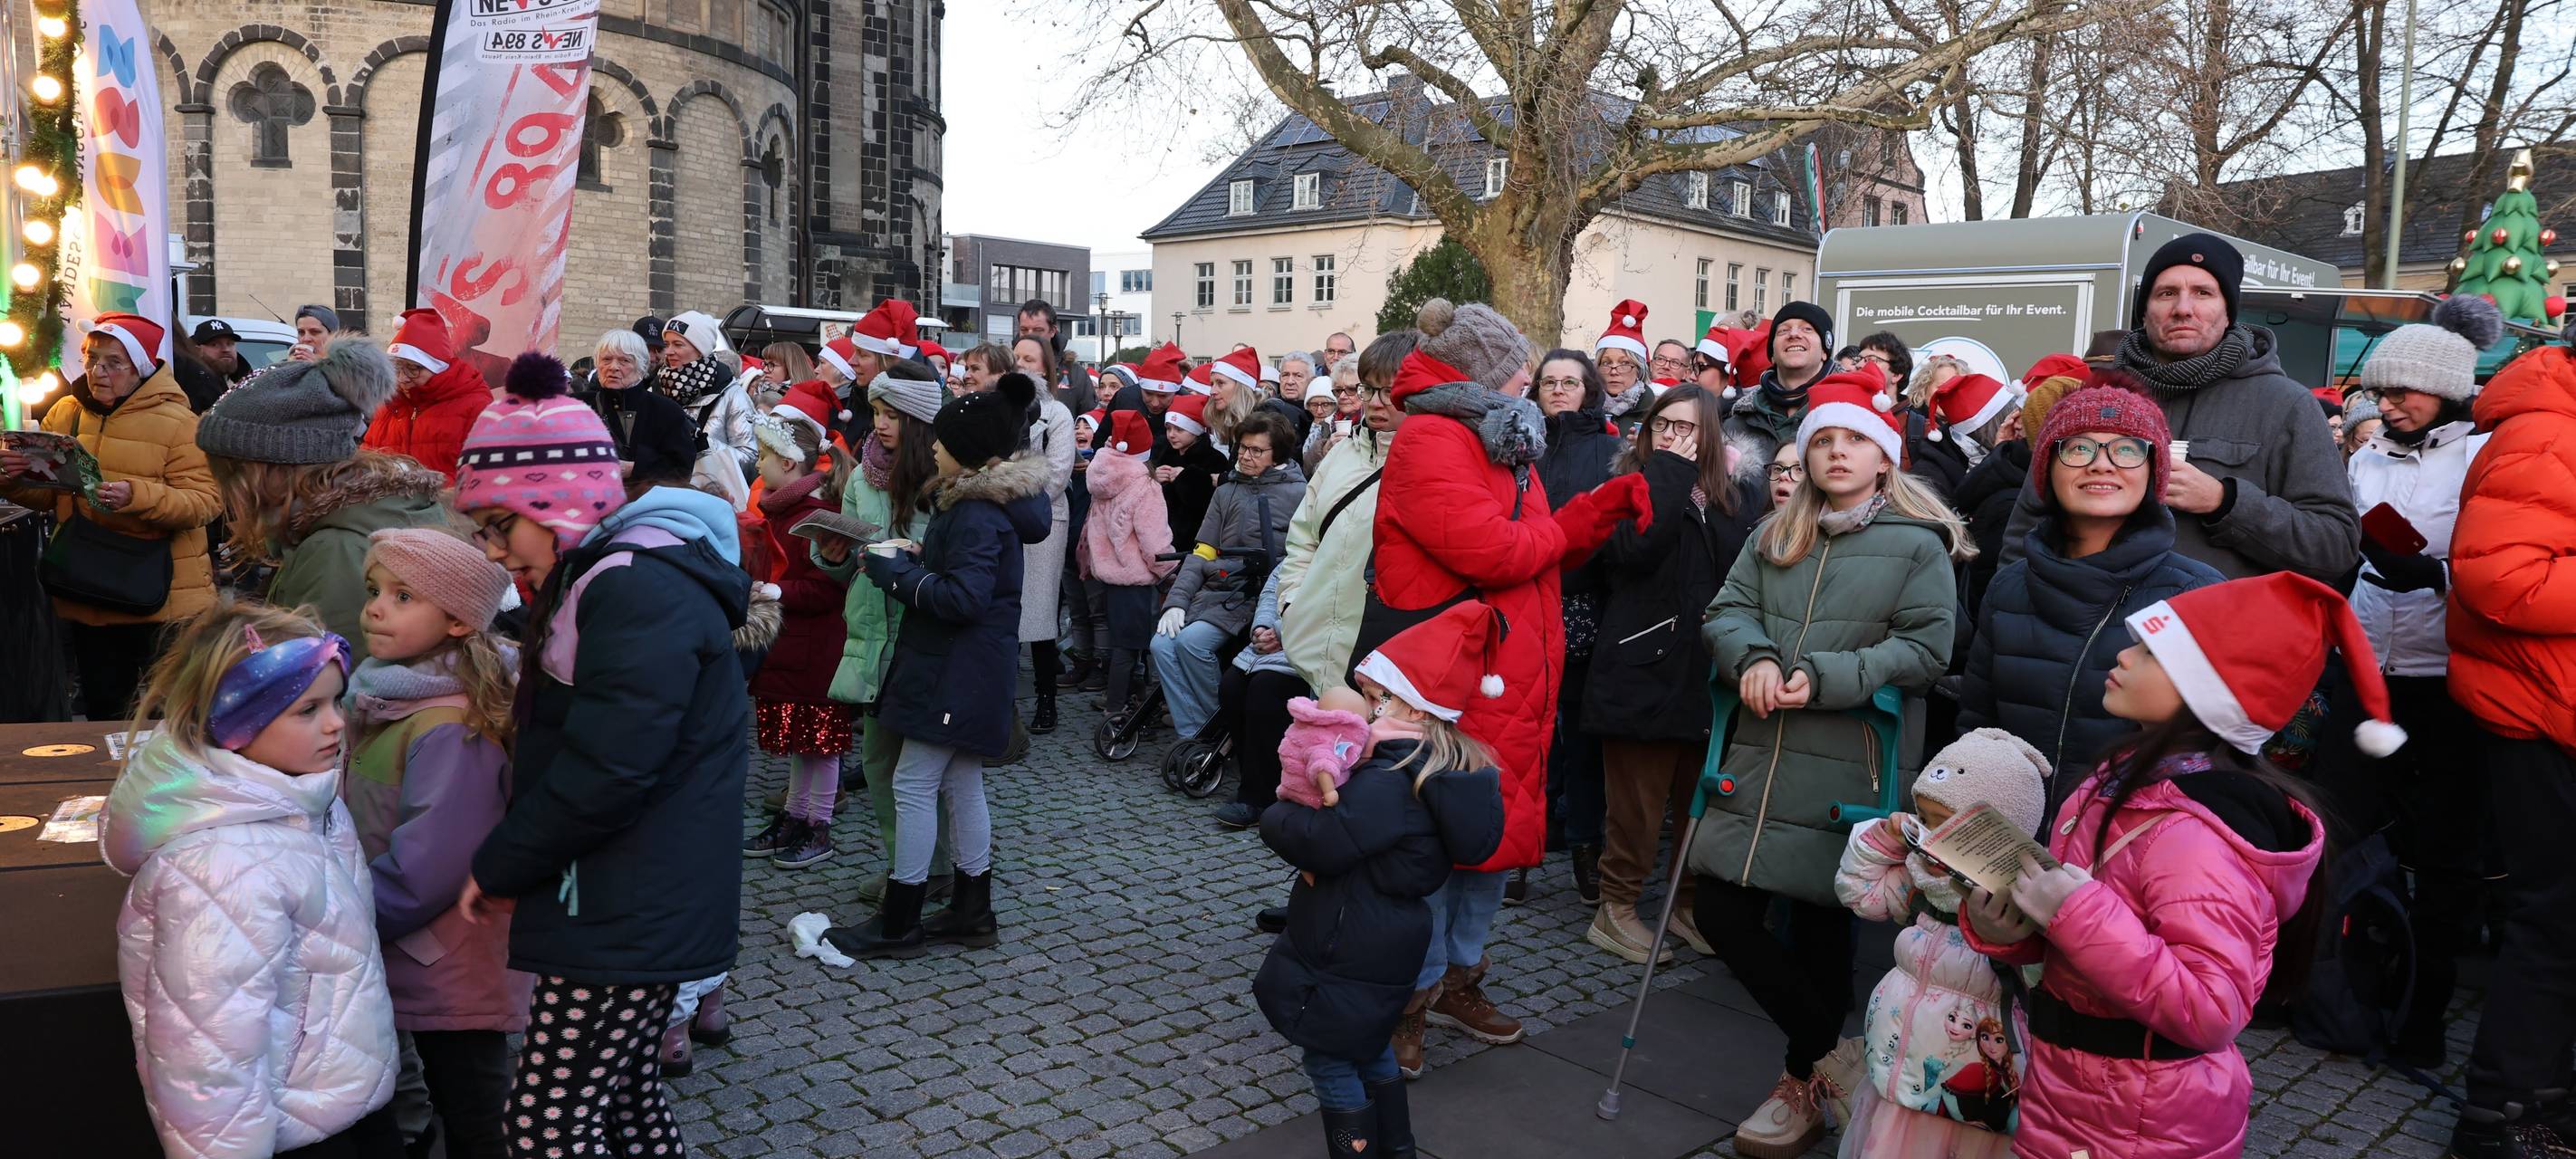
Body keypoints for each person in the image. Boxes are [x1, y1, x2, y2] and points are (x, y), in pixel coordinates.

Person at [455, 352, 748, 1150]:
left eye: (498, 525)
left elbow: (608, 765)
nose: (489, 551)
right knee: (623, 1104)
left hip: (624, 904)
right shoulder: (608, 576)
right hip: (631, 893)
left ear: (560, 504)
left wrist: (503, 861)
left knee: (546, 1126)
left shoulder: (629, 585)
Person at [1960, 571, 2351, 1159]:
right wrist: (2006, 931)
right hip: (2077, 1086)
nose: (2121, 655)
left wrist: (2070, 908)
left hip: (2142, 1115)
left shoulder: (2195, 833)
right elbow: (2088, 948)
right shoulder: (2118, 781)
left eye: (2148, 653)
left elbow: (2209, 1005)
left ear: (2205, 692)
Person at [1366, 299, 1652, 1074]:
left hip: (1510, 676)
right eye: (1517, 366)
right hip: (1454, 688)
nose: (1531, 376)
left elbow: (1535, 546)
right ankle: (1409, 998)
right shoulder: (1433, 437)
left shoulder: (1494, 435)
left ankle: (1460, 978)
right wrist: (1571, 524)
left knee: (1490, 845)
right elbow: (1493, 551)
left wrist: (1596, 508)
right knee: (1435, 846)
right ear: (1478, 373)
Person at [1690, 370, 1969, 1158]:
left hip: (1848, 761)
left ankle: (1799, 1082)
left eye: (1853, 440)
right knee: (1720, 909)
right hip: (1758, 753)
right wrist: (1745, 657)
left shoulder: (1918, 545)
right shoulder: (1775, 531)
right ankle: (1834, 1059)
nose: (1837, 453)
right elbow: (1726, 611)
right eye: (1822, 441)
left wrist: (1827, 675)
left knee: (1819, 927)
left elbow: (1925, 649)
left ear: (1883, 458)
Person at [104, 599, 399, 1159]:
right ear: (237, 722)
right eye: (306, 709)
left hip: (337, 1104)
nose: (337, 721)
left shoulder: (306, 805)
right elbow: (206, 1054)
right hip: (290, 1130)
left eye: (335, 701)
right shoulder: (221, 864)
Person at [2313, 294, 2498, 1071]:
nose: (2387, 404)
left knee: (2446, 853)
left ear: (2450, 391)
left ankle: (2424, 1009)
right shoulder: (2364, 457)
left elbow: (2505, 563)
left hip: (2443, 678)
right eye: (2381, 392)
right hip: (2361, 670)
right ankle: (2336, 990)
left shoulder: (2483, 458)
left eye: (2404, 393)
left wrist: (2439, 574)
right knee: (2340, 829)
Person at [1254, 600, 1508, 1159]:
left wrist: (1273, 810)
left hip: (1353, 934)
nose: (1366, 712)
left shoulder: (1389, 774)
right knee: (1368, 1046)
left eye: (1377, 699)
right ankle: (1396, 1149)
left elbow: (1324, 839)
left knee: (1329, 1056)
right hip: (1386, 931)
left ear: (1415, 709)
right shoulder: (1436, 768)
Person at [825, 372, 1051, 959]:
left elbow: (964, 600)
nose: (934, 449)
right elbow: (973, 578)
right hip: (970, 670)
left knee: (913, 782)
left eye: (944, 443)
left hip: (956, 670)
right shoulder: (979, 504)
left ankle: (900, 920)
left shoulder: (975, 511)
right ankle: (972, 911)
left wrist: (896, 575)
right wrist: (923, 555)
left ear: (969, 455)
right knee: (960, 782)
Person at [2002, 234, 2359, 580]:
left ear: (2228, 312)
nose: (2183, 309)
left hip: (2216, 634)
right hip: (2086, 632)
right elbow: (2029, 525)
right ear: (2144, 311)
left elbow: (2336, 545)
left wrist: (2226, 503)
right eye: (2166, 293)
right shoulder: (2094, 399)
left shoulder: (2286, 405)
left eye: (2203, 293)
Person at [346, 530, 525, 1159]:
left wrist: (350, 920)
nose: (375, 608)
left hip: (449, 961)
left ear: (456, 621)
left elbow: (429, 867)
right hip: (412, 948)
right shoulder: (386, 698)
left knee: (476, 1117)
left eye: (402, 596)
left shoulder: (450, 729)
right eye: (375, 591)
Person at [1957, 378, 2223, 795]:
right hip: (2008, 840)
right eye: (2078, 448)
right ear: (2048, 467)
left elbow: (2213, 752)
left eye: (2127, 450)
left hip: (2131, 842)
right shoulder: (2009, 588)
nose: (2102, 464)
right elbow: (1975, 728)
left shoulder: (2195, 595)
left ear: (2154, 470)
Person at [2441, 340, 2576, 1157]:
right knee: (2553, 922)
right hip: (2541, 713)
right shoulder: (2546, 428)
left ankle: (2540, 1101)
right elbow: (2501, 580)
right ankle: (2500, 1117)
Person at [1584, 384, 1760, 965]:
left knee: (1697, 806)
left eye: (1689, 428)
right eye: (1666, 425)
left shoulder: (1733, 500)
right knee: (1635, 806)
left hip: (1706, 674)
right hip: (1641, 667)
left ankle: (1688, 906)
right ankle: (1617, 908)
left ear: (1711, 435)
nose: (1676, 436)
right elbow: (1637, 551)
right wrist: (1668, 473)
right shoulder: (1626, 489)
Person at [1834, 729, 2054, 1158]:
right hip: (1902, 1077)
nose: (1928, 838)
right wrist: (1885, 840)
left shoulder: (2020, 905)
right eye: (1923, 818)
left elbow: (2045, 976)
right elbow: (1862, 893)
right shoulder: (1920, 881)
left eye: (1942, 826)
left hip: (1979, 1098)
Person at [0, 313, 220, 719]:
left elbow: (205, 502)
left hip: (163, 599)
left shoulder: (179, 423)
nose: (98, 371)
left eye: (113, 362)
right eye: (91, 359)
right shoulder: (67, 413)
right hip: (90, 594)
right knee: (104, 714)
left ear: (139, 367)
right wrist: (14, 480)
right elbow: (49, 496)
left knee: (171, 718)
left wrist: (137, 496)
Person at [1259, 330, 1418, 852]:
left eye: (1388, 390)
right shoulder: (1342, 455)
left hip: (1382, 660)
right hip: (1322, 649)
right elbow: (1302, 539)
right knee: (1316, 776)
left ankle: (1350, 907)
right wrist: (1291, 603)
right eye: (1368, 389)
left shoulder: (1429, 464)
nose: (1375, 402)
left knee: (1371, 787)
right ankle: (1314, 889)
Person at [198, 337, 447, 657]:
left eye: (231, 472)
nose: (226, 489)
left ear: (268, 469)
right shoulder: (343, 520)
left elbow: (330, 678)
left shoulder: (333, 548)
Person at [819, 363, 957, 908]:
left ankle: (932, 870)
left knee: (923, 768)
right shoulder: (860, 476)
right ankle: (908, 865)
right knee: (878, 761)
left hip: (920, 630)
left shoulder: (942, 481)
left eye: (892, 414)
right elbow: (848, 557)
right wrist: (830, 554)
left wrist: (908, 560)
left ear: (919, 420)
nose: (879, 424)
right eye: (876, 412)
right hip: (872, 630)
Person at [742, 386, 857, 868]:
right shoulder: (783, 509)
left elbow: (827, 588)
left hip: (816, 647)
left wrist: (775, 592)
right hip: (792, 645)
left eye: (765, 455)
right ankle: (794, 816)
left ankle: (818, 824)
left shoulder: (814, 517)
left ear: (789, 462)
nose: (758, 463)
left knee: (820, 744)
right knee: (801, 741)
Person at [1526, 348, 1622, 907]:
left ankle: (1587, 846)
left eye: (1570, 382)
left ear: (1589, 389)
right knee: (1527, 735)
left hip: (1588, 604)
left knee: (1582, 739)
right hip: (1524, 602)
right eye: (1549, 382)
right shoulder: (1521, 447)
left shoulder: (1613, 450)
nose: (1559, 390)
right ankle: (1516, 850)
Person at [1154, 410, 1307, 742]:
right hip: (1217, 591)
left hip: (1256, 595)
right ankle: (1195, 734)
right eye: (1242, 448)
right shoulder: (1226, 491)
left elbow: (1299, 559)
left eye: (1256, 451)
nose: (1245, 457)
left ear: (1277, 454)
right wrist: (1176, 602)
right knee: (1161, 645)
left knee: (1192, 644)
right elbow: (1203, 551)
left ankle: (1223, 727)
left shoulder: (1300, 494)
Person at [1082, 410, 1178, 726]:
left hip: (1108, 576)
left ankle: (1128, 698)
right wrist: (1169, 570)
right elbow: (1154, 539)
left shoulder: (1101, 476)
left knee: (1122, 643)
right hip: (1137, 578)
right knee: (1133, 647)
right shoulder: (1143, 486)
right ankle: (1118, 709)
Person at [1010, 334, 1079, 733]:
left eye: (1030, 359)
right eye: (1016, 357)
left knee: (1038, 609)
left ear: (1046, 366)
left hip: (1043, 516)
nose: (1022, 365)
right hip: (1007, 515)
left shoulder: (1056, 414)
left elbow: (1057, 472)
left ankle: (1046, 698)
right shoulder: (1005, 410)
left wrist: (1020, 497)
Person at [362, 308, 494, 483]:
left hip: (446, 508)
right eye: (396, 367)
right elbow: (367, 458)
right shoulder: (388, 404)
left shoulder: (477, 407)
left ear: (437, 368)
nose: (402, 378)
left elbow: (485, 476)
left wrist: (420, 487)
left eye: (413, 368)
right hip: (388, 507)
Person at [1722, 300, 1835, 483]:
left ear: (1825, 350)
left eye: (1807, 329)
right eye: (1783, 330)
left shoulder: (1849, 416)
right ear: (1772, 355)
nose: (1794, 334)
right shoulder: (1737, 425)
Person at [580, 328, 698, 488]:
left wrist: (633, 469)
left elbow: (681, 471)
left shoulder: (665, 411)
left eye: (625, 361)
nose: (613, 367)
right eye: (606, 359)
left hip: (648, 507)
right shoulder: (578, 407)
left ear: (642, 367)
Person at [1156, 392, 1230, 549]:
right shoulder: (1163, 454)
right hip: (1162, 535)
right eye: (1168, 429)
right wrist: (1153, 478)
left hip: (1194, 538)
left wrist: (1185, 477)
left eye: (1179, 430)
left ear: (1195, 431)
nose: (1172, 435)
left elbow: (1207, 502)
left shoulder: (1214, 459)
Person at [1592, 298, 1655, 427]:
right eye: (1606, 363)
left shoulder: (1655, 414)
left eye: (1624, 363)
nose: (1614, 371)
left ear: (1639, 370)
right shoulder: (1582, 407)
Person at [191, 317, 255, 387]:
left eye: (230, 343)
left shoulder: (249, 382)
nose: (226, 349)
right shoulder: (189, 385)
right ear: (197, 350)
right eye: (214, 345)